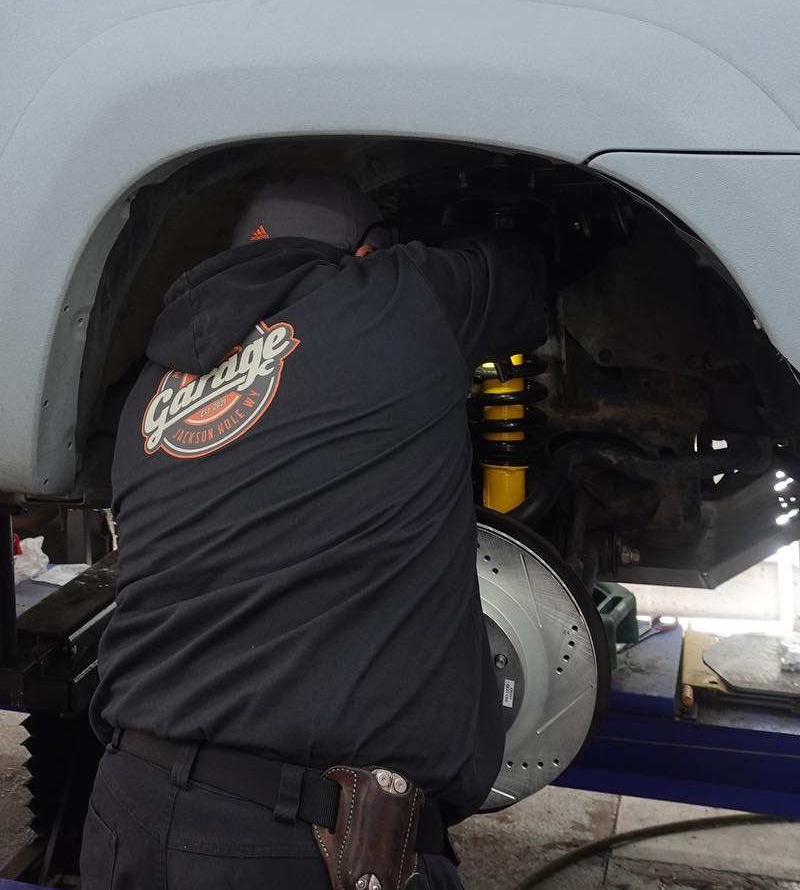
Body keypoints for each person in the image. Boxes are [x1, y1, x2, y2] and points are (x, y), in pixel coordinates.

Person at [85, 169, 546, 890]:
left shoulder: (151, 387)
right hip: (302, 841)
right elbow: (522, 274)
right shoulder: (397, 297)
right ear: (367, 254)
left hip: (128, 808)